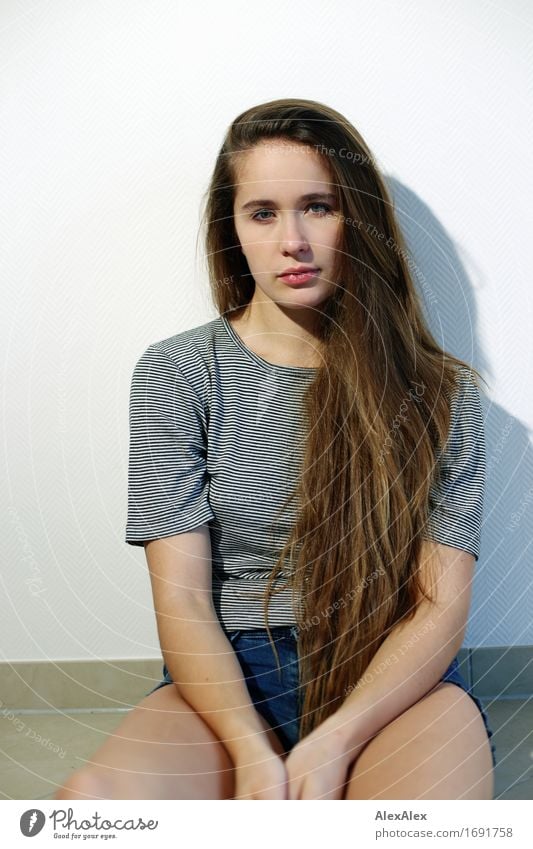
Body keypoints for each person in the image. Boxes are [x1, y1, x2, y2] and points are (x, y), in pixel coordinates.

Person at [54, 98, 496, 801]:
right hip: (230, 677)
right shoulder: (177, 372)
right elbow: (185, 602)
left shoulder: (441, 392)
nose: (292, 240)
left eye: (317, 206)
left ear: (359, 220)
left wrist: (337, 738)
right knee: (93, 806)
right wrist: (250, 751)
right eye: (262, 212)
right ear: (231, 229)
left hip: (391, 686)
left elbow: (436, 607)